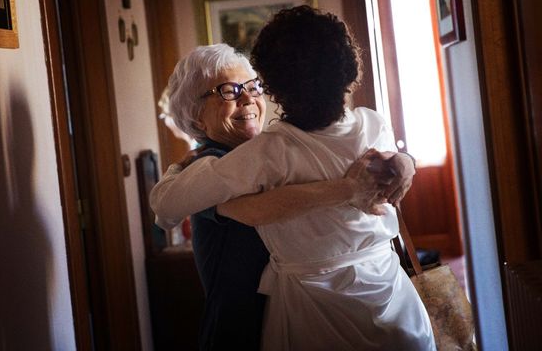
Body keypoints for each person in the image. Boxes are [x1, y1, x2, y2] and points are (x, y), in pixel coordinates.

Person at [151, 37, 419, 350]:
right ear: (197, 116)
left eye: (252, 87)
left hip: (295, 313)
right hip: (241, 327)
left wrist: (405, 161)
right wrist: (348, 189)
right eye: (228, 91)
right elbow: (246, 210)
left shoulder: (269, 151)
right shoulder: (207, 165)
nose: (248, 100)